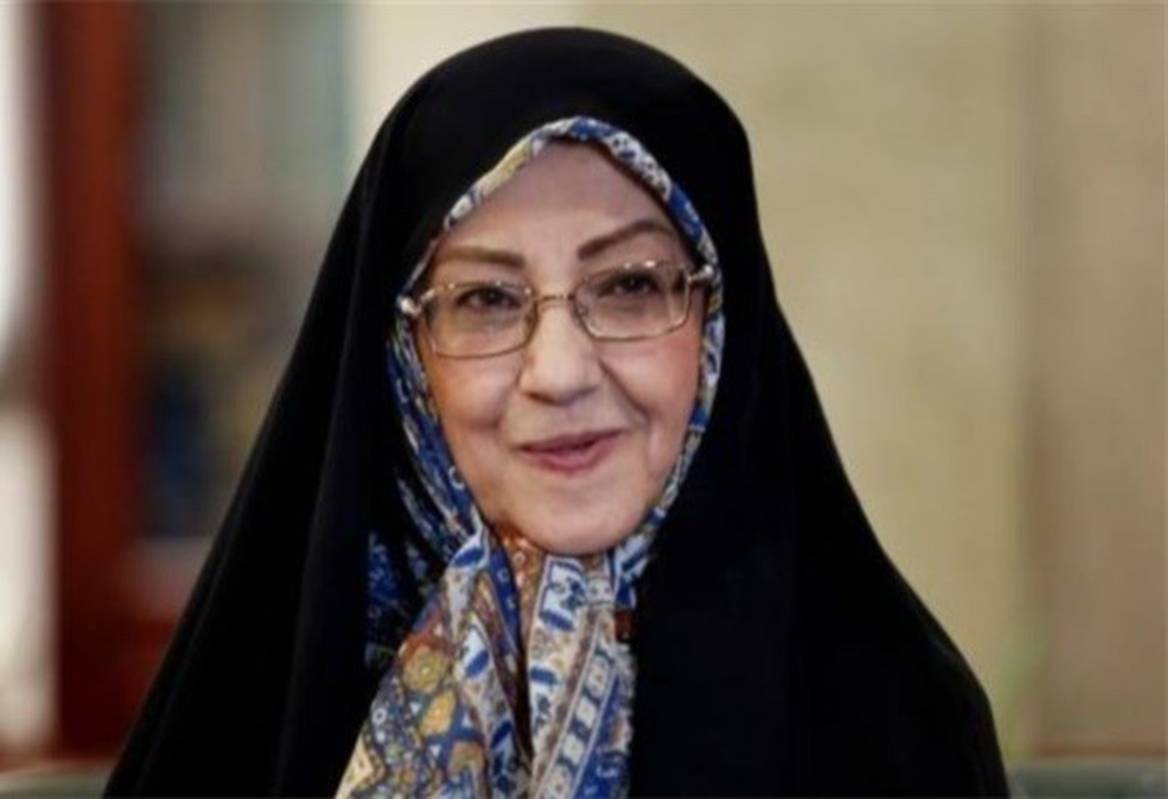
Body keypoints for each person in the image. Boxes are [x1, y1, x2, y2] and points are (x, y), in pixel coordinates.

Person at [105, 28, 1009, 797]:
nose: (559, 372)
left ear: (721, 321)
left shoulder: (891, 725)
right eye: (487, 300)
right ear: (403, 351)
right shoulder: (256, 711)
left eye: (629, 285)